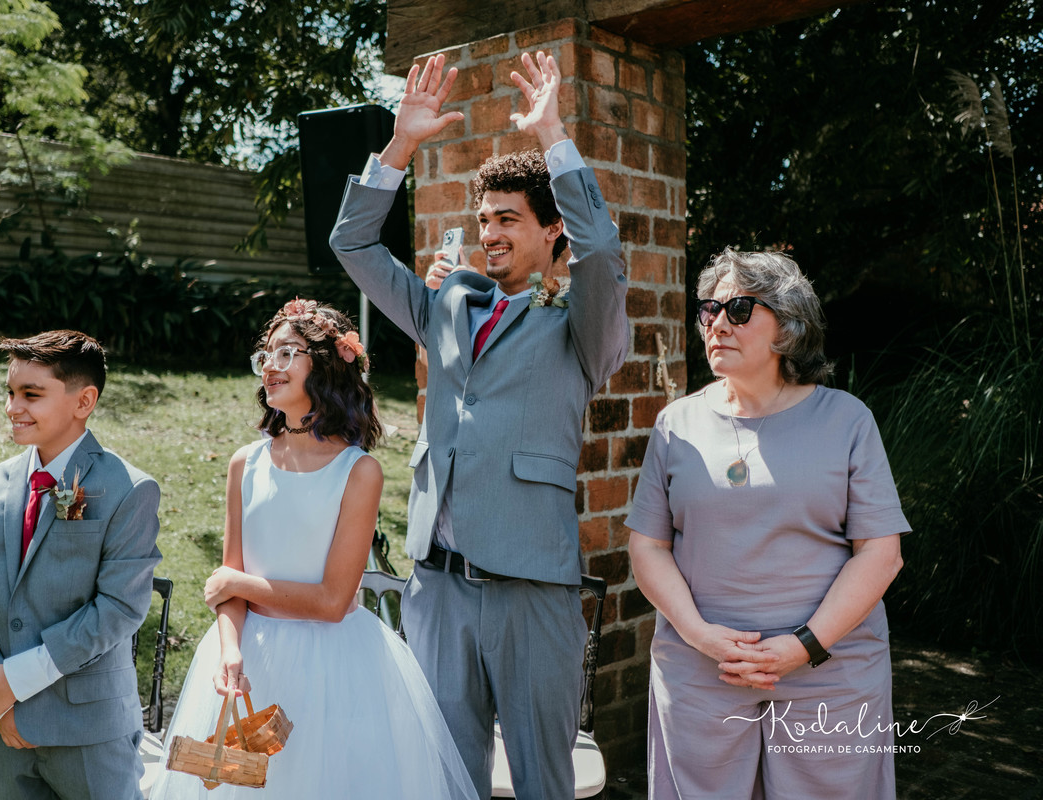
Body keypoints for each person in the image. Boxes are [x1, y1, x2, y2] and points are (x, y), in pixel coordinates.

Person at [330, 51, 629, 798]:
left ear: (552, 229)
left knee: (541, 783)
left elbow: (603, 252)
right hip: (438, 587)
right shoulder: (446, 307)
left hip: (532, 589)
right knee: (444, 776)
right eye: (483, 219)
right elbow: (353, 245)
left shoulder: (579, 327)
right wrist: (400, 145)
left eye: (507, 220)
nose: (489, 233)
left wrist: (554, 135)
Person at [150, 299, 478, 800]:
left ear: (326, 366)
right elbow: (229, 579)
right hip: (248, 662)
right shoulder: (245, 463)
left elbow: (331, 601)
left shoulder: (358, 472)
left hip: (334, 670)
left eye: (287, 353)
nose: (271, 365)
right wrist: (231, 650)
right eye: (267, 354)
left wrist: (235, 583)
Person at [626, 248, 910, 799]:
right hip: (701, 673)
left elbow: (882, 553)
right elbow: (647, 547)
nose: (716, 324)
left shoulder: (847, 420)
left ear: (787, 328)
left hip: (830, 673)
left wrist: (804, 645)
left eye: (738, 309)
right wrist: (699, 635)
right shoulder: (675, 424)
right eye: (710, 310)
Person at [0, 329, 163, 800]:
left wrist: (18, 682)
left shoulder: (128, 488)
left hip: (89, 729)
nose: (13, 407)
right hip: (3, 725)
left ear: (83, 400)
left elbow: (119, 609)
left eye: (31, 394)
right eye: (10, 392)